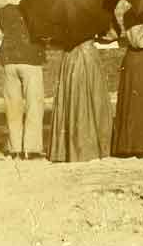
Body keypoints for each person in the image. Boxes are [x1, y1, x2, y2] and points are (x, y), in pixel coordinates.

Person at [0, 0, 46, 158]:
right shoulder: (36, 9)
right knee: (34, 104)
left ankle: (15, 147)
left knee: (12, 105)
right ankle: (31, 148)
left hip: (9, 59)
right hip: (31, 59)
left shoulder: (3, 12)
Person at [108, 2, 143, 158]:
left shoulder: (132, 14)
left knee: (136, 99)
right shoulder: (138, 15)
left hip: (136, 58)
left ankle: (132, 143)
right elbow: (139, 41)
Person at [47, 23, 110, 163]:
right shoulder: (94, 14)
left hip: (70, 58)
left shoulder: (62, 16)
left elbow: (54, 41)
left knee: (72, 100)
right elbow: (110, 35)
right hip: (89, 57)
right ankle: (93, 147)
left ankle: (67, 149)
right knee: (93, 101)